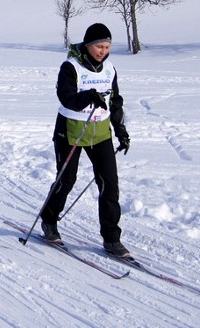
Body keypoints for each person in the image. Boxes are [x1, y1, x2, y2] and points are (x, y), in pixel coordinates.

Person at [39, 22, 131, 258]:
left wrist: (120, 131)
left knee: (110, 185)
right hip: (70, 130)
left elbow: (115, 102)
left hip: (100, 132)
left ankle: (112, 239)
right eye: (99, 46)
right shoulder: (70, 67)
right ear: (88, 45)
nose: (103, 51)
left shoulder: (109, 69)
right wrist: (90, 96)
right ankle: (49, 220)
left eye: (107, 46)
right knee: (66, 179)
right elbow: (67, 98)